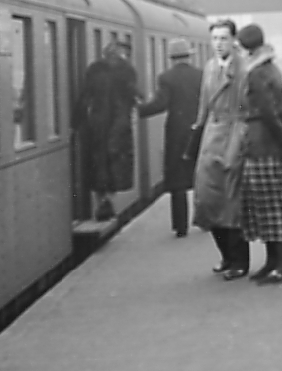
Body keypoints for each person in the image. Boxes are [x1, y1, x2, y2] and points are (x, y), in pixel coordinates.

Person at [232, 25, 282, 284]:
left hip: (263, 145)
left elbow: (270, 112)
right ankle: (273, 261)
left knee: (270, 206)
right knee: (268, 205)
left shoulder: (257, 73)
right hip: (265, 143)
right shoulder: (269, 68)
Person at [189, 19, 250, 279]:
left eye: (224, 38)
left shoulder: (243, 69)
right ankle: (225, 255)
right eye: (215, 39)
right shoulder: (210, 67)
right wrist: (197, 136)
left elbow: (244, 111)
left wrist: (236, 146)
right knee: (207, 200)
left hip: (231, 136)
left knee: (232, 204)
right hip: (210, 138)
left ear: (233, 41)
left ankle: (239, 261)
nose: (218, 44)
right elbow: (203, 107)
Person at [138, 39, 202, 237]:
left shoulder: (166, 78)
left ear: (171, 58)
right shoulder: (200, 76)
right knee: (201, 176)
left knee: (178, 182)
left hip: (177, 133)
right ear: (189, 56)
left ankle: (181, 227)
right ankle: (206, 220)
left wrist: (140, 109)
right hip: (198, 130)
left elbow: (161, 104)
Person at [76, 41, 138, 221]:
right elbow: (132, 95)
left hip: (97, 124)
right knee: (116, 164)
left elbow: (85, 97)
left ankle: (101, 201)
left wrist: (76, 122)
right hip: (118, 124)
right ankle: (108, 202)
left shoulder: (95, 70)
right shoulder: (126, 72)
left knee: (98, 164)